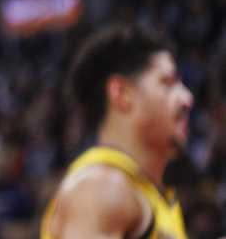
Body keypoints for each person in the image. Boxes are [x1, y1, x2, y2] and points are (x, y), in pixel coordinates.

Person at [40, 24, 193, 239]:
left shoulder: (145, 193)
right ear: (121, 94)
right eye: (167, 83)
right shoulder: (100, 188)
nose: (187, 98)